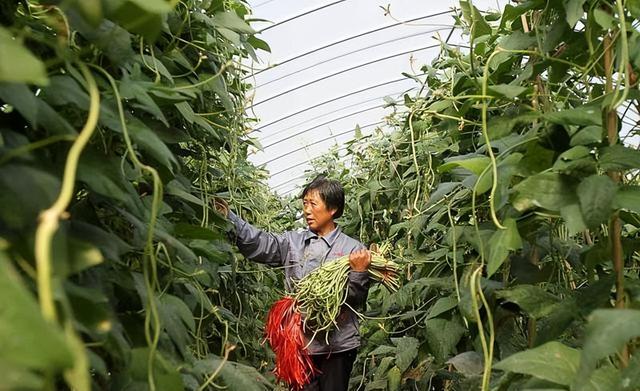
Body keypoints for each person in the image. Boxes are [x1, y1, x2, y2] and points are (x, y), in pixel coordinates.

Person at [214, 175, 372, 391]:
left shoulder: (353, 250)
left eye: (313, 204)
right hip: (300, 344)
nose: (306, 210)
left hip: (337, 347)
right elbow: (260, 242)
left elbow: (356, 299)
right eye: (304, 203)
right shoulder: (292, 242)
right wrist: (231, 218)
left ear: (333, 208)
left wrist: (360, 271)